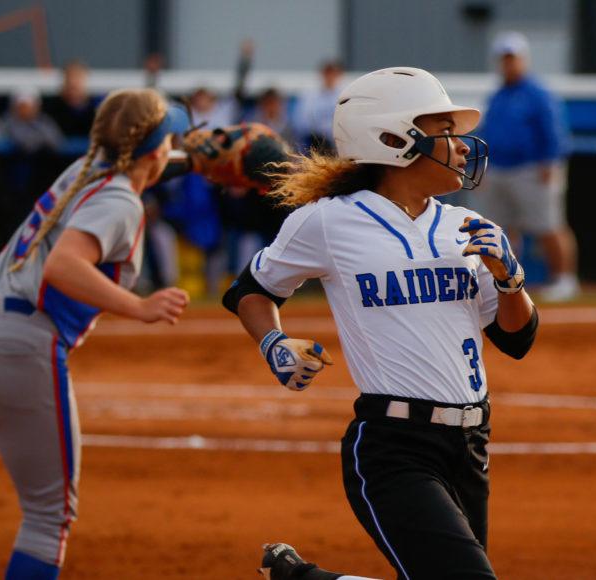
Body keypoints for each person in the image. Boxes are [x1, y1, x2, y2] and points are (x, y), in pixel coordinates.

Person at [224, 67, 537, 580]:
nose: (461, 146)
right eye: (444, 131)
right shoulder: (329, 220)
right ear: (393, 140)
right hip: (395, 446)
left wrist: (510, 278)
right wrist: (273, 343)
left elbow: (517, 337)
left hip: (471, 444)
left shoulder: (467, 227)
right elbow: (251, 290)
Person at [0, 88, 191, 579]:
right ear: (155, 149)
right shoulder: (122, 201)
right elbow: (63, 265)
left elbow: (146, 163)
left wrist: (200, 160)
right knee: (47, 516)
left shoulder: (83, 171)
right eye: (171, 139)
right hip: (19, 342)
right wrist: (139, 306)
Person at [477, 31, 580, 302]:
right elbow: (488, 132)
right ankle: (507, 280)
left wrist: (550, 161)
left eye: (512, 58)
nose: (508, 64)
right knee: (501, 230)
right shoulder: (498, 95)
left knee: (548, 225)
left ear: (523, 59)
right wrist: (484, 168)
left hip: (532, 169)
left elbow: (554, 131)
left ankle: (564, 279)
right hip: (499, 168)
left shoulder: (537, 94)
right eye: (504, 59)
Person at [292, 60, 344, 154]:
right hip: (315, 145)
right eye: (327, 73)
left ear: (339, 75)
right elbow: (301, 123)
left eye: (333, 73)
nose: (330, 76)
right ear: (322, 74)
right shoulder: (309, 96)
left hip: (339, 145)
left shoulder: (344, 95)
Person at [43, 60, 97, 138]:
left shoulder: (96, 108)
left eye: (78, 77)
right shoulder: (49, 108)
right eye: (69, 77)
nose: (73, 82)